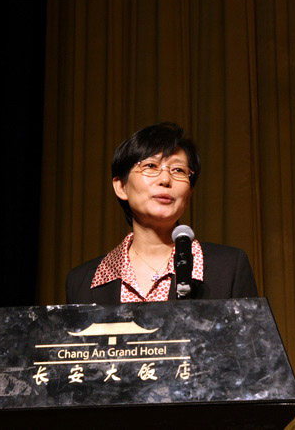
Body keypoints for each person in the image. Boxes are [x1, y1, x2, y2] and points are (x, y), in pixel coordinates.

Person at [65, 122, 258, 304]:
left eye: (178, 170)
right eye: (150, 166)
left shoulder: (229, 267)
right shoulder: (82, 280)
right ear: (121, 187)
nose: (165, 179)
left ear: (189, 194)